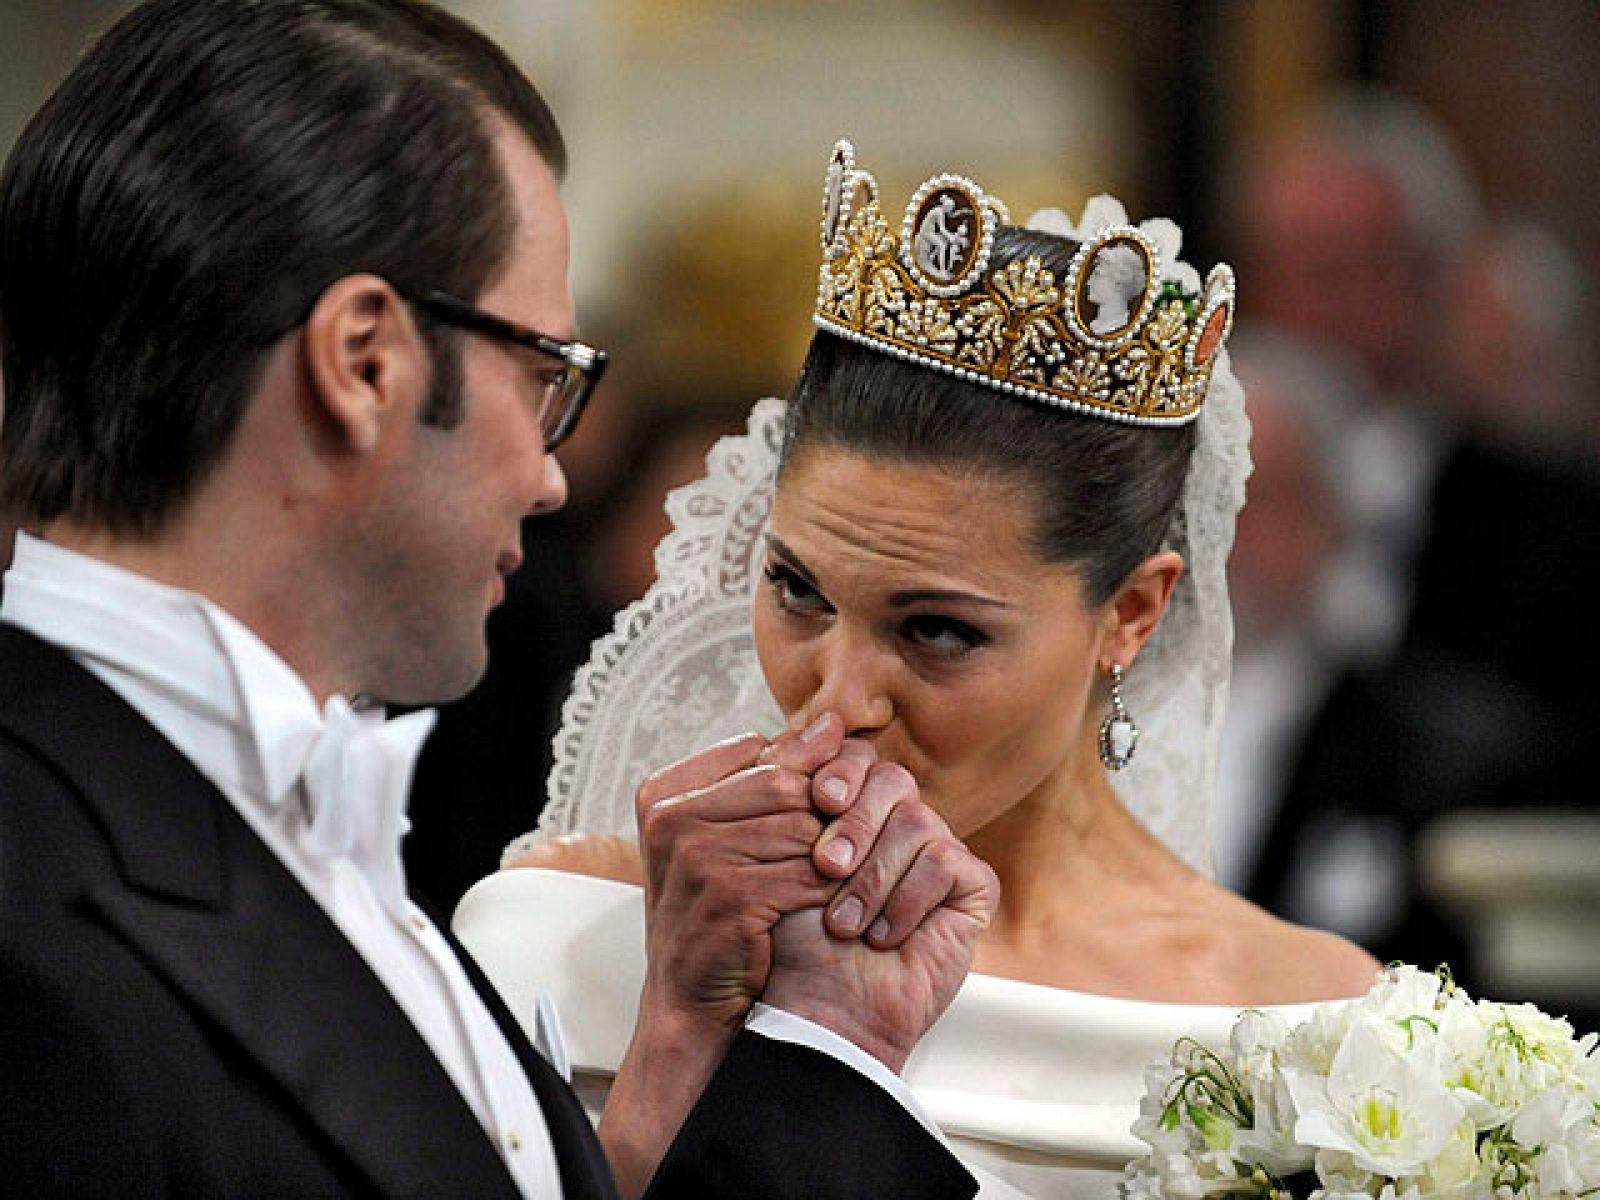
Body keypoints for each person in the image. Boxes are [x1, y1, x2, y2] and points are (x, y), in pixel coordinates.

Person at [0, 5, 999, 1198]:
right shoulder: (36, 909)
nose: (552, 473)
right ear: (364, 361)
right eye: (542, 376)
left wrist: (777, 1046)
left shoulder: (277, 817)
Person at [458, 141, 1379, 1199]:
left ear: (1129, 613)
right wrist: (674, 1036)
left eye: (936, 631)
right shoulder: (569, 934)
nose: (837, 699)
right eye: (797, 590)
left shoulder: (1315, 1026)